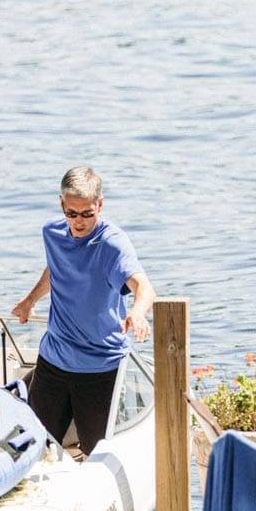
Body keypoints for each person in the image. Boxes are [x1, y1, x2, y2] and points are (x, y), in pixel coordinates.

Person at [11, 166, 155, 456]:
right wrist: (29, 301)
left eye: (88, 213)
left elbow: (144, 286)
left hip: (99, 366)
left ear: (100, 205)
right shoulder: (51, 233)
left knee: (97, 452)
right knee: (34, 443)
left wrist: (138, 313)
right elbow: (56, 269)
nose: (79, 221)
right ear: (62, 204)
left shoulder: (113, 244)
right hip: (54, 359)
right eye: (72, 213)